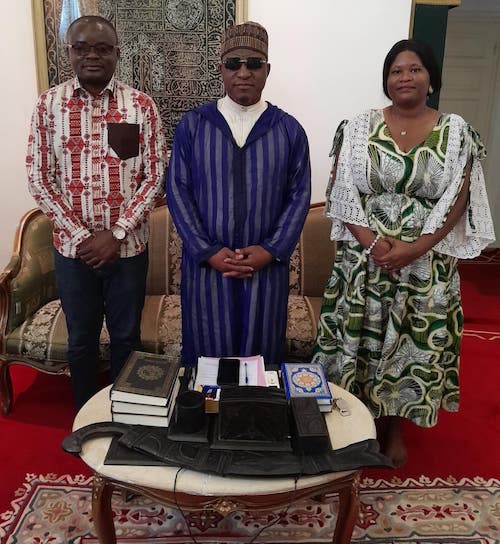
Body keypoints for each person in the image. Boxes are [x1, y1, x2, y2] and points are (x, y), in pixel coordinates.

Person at [312, 39, 495, 467]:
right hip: (364, 262)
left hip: (425, 264)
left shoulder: (456, 131)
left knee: (410, 344)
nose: (405, 77)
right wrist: (374, 244)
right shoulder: (358, 127)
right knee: (358, 342)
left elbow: (459, 199)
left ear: (431, 79)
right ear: (386, 80)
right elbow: (342, 190)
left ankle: (395, 426)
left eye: (415, 69)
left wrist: (414, 249)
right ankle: (352, 422)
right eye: (396, 71)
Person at [26, 16, 166, 409]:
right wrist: (82, 238)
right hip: (73, 254)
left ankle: (122, 414)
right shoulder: (48, 106)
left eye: (102, 48)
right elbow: (38, 177)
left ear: (117, 54)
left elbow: (155, 176)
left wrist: (116, 233)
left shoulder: (140, 106)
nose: (92, 55)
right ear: (68, 52)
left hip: (128, 251)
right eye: (82, 47)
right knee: (81, 340)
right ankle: (88, 416)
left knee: (126, 338)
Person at [166, 21, 311, 366]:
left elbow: (299, 195)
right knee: (207, 356)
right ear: (221, 69)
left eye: (253, 64)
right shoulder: (194, 125)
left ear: (267, 70)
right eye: (234, 63)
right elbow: (177, 190)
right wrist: (207, 250)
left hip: (265, 271)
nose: (243, 73)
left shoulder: (288, 130)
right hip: (207, 269)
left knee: (260, 357)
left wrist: (270, 250)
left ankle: (255, 404)